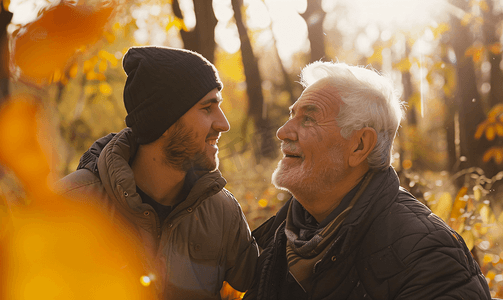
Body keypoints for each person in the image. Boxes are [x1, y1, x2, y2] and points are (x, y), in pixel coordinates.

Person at [243, 61, 492, 300]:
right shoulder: (280, 238)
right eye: (292, 115)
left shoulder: (429, 256)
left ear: (359, 146)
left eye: (308, 119)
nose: (282, 132)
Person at [56, 46, 258, 299]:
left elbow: (265, 285)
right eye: (207, 108)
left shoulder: (223, 212)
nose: (224, 124)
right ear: (163, 122)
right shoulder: (68, 206)